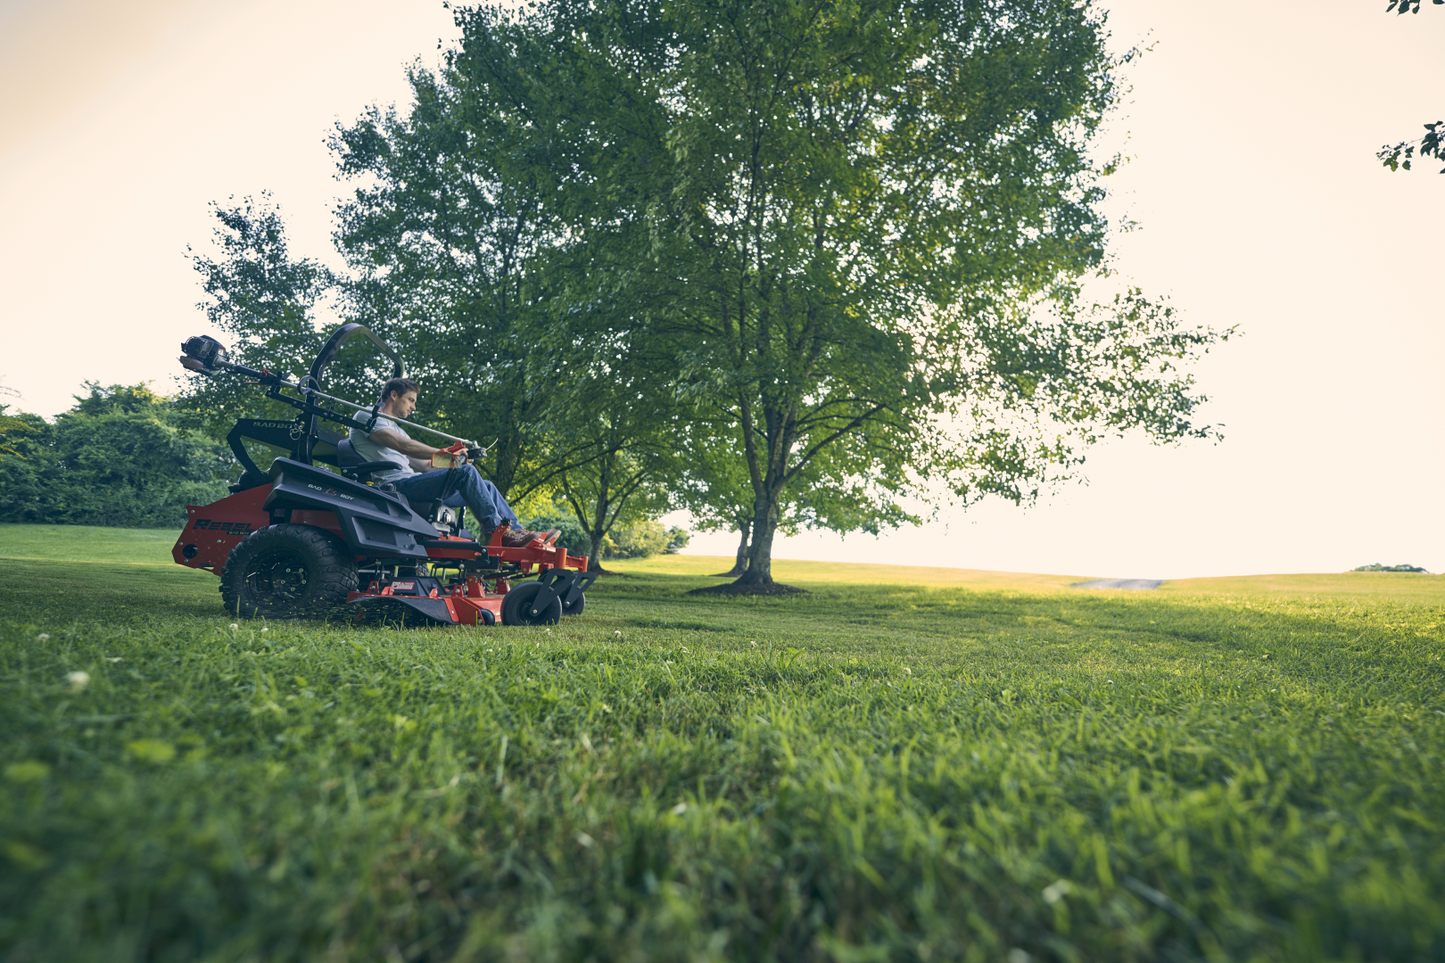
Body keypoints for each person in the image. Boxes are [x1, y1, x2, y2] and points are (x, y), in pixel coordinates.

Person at [349, 378, 555, 548]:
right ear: (394, 395)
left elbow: (426, 466)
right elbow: (404, 446)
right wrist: (446, 452)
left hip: (411, 482)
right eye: (410, 400)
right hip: (392, 486)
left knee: (486, 485)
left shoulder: (399, 428)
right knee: (466, 472)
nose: (414, 406)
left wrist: (454, 460)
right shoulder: (367, 415)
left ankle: (519, 533)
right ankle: (497, 531)